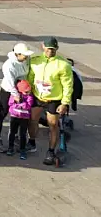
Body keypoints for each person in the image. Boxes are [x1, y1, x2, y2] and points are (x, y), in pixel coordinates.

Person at [27, 38, 74, 166]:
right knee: (32, 120)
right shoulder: (35, 61)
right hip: (37, 97)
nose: (50, 51)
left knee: (53, 125)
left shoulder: (63, 65)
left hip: (54, 99)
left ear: (57, 49)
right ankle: (31, 142)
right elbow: (30, 78)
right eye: (48, 48)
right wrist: (27, 92)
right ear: (43, 47)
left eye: (53, 49)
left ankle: (51, 151)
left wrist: (64, 103)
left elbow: (68, 85)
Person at [0, 42, 34, 153]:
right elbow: (11, 83)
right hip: (8, 90)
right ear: (17, 54)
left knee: (21, 114)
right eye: (24, 55)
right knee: (3, 112)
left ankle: (15, 136)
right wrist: (15, 95)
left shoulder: (27, 59)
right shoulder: (9, 65)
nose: (26, 56)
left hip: (22, 90)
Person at [5, 79, 37, 159]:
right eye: (26, 91)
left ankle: (22, 149)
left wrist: (19, 103)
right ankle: (10, 147)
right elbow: (10, 103)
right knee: (12, 132)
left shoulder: (30, 97)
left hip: (24, 118)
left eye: (29, 91)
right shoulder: (14, 95)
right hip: (14, 116)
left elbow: (28, 105)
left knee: (22, 134)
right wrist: (18, 102)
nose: (28, 93)